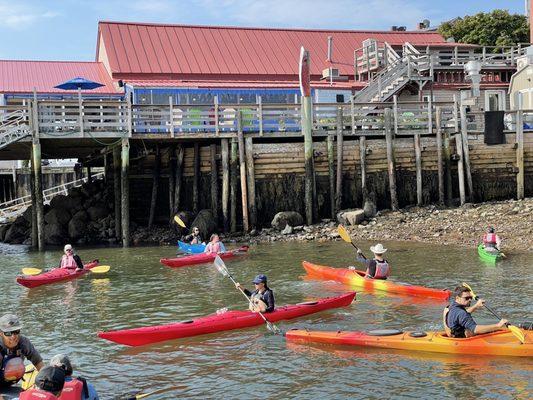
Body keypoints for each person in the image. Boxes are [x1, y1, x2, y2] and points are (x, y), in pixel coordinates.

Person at [443, 286, 508, 338]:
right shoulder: (461, 313)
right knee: (497, 329)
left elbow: (463, 315)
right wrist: (498, 325)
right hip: (462, 339)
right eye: (466, 298)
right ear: (457, 298)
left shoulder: (451, 306)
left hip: (453, 334)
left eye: (470, 297)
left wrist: (476, 306)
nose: (470, 300)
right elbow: (476, 329)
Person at [0, 314, 44, 388]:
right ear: (1, 334)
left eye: (16, 331)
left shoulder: (24, 343)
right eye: (8, 333)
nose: (13, 337)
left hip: (10, 383)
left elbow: (39, 363)